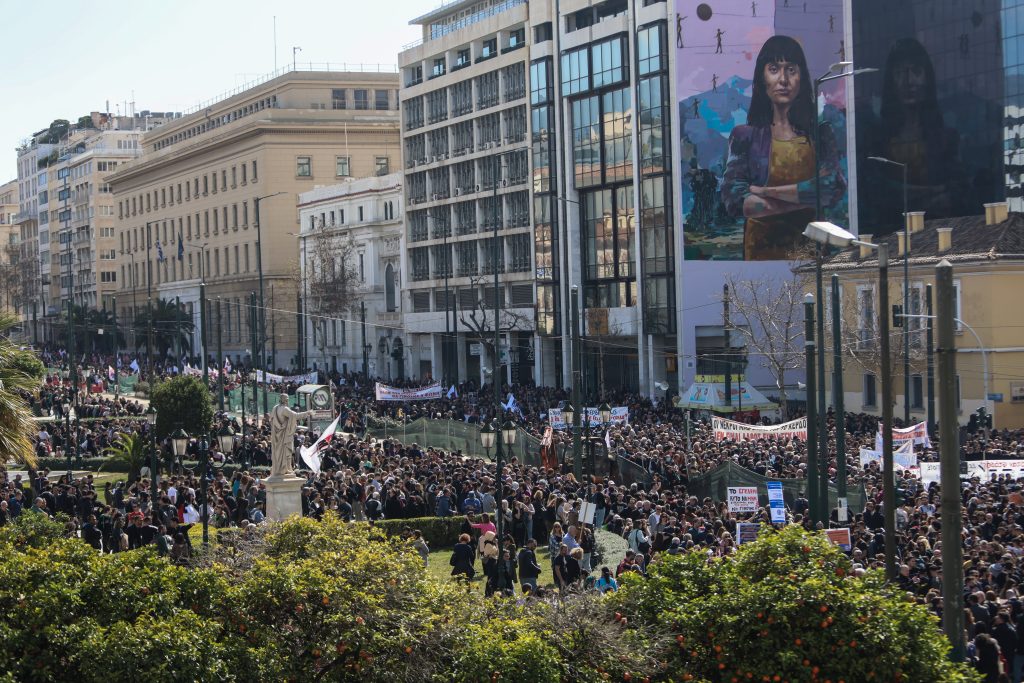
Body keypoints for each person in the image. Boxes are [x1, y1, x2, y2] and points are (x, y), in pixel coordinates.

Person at [721, 35, 845, 260]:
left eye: (791, 69)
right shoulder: (744, 137)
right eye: (774, 69)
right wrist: (806, 204)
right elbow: (735, 200)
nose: (783, 79)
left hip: (812, 255)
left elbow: (831, 187)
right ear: (762, 77)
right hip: (760, 256)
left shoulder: (820, 134)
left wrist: (766, 192)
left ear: (801, 77)